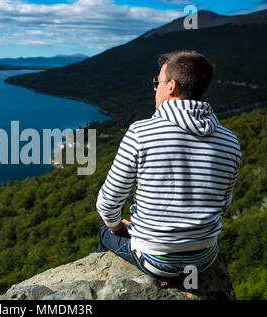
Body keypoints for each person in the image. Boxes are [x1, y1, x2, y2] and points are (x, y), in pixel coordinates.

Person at [96, 50, 242, 279]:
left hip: (156, 260)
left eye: (157, 82)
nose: (155, 87)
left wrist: (118, 228)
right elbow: (224, 202)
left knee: (105, 232)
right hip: (205, 257)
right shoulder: (230, 140)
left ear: (171, 86)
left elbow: (108, 203)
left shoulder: (140, 132)